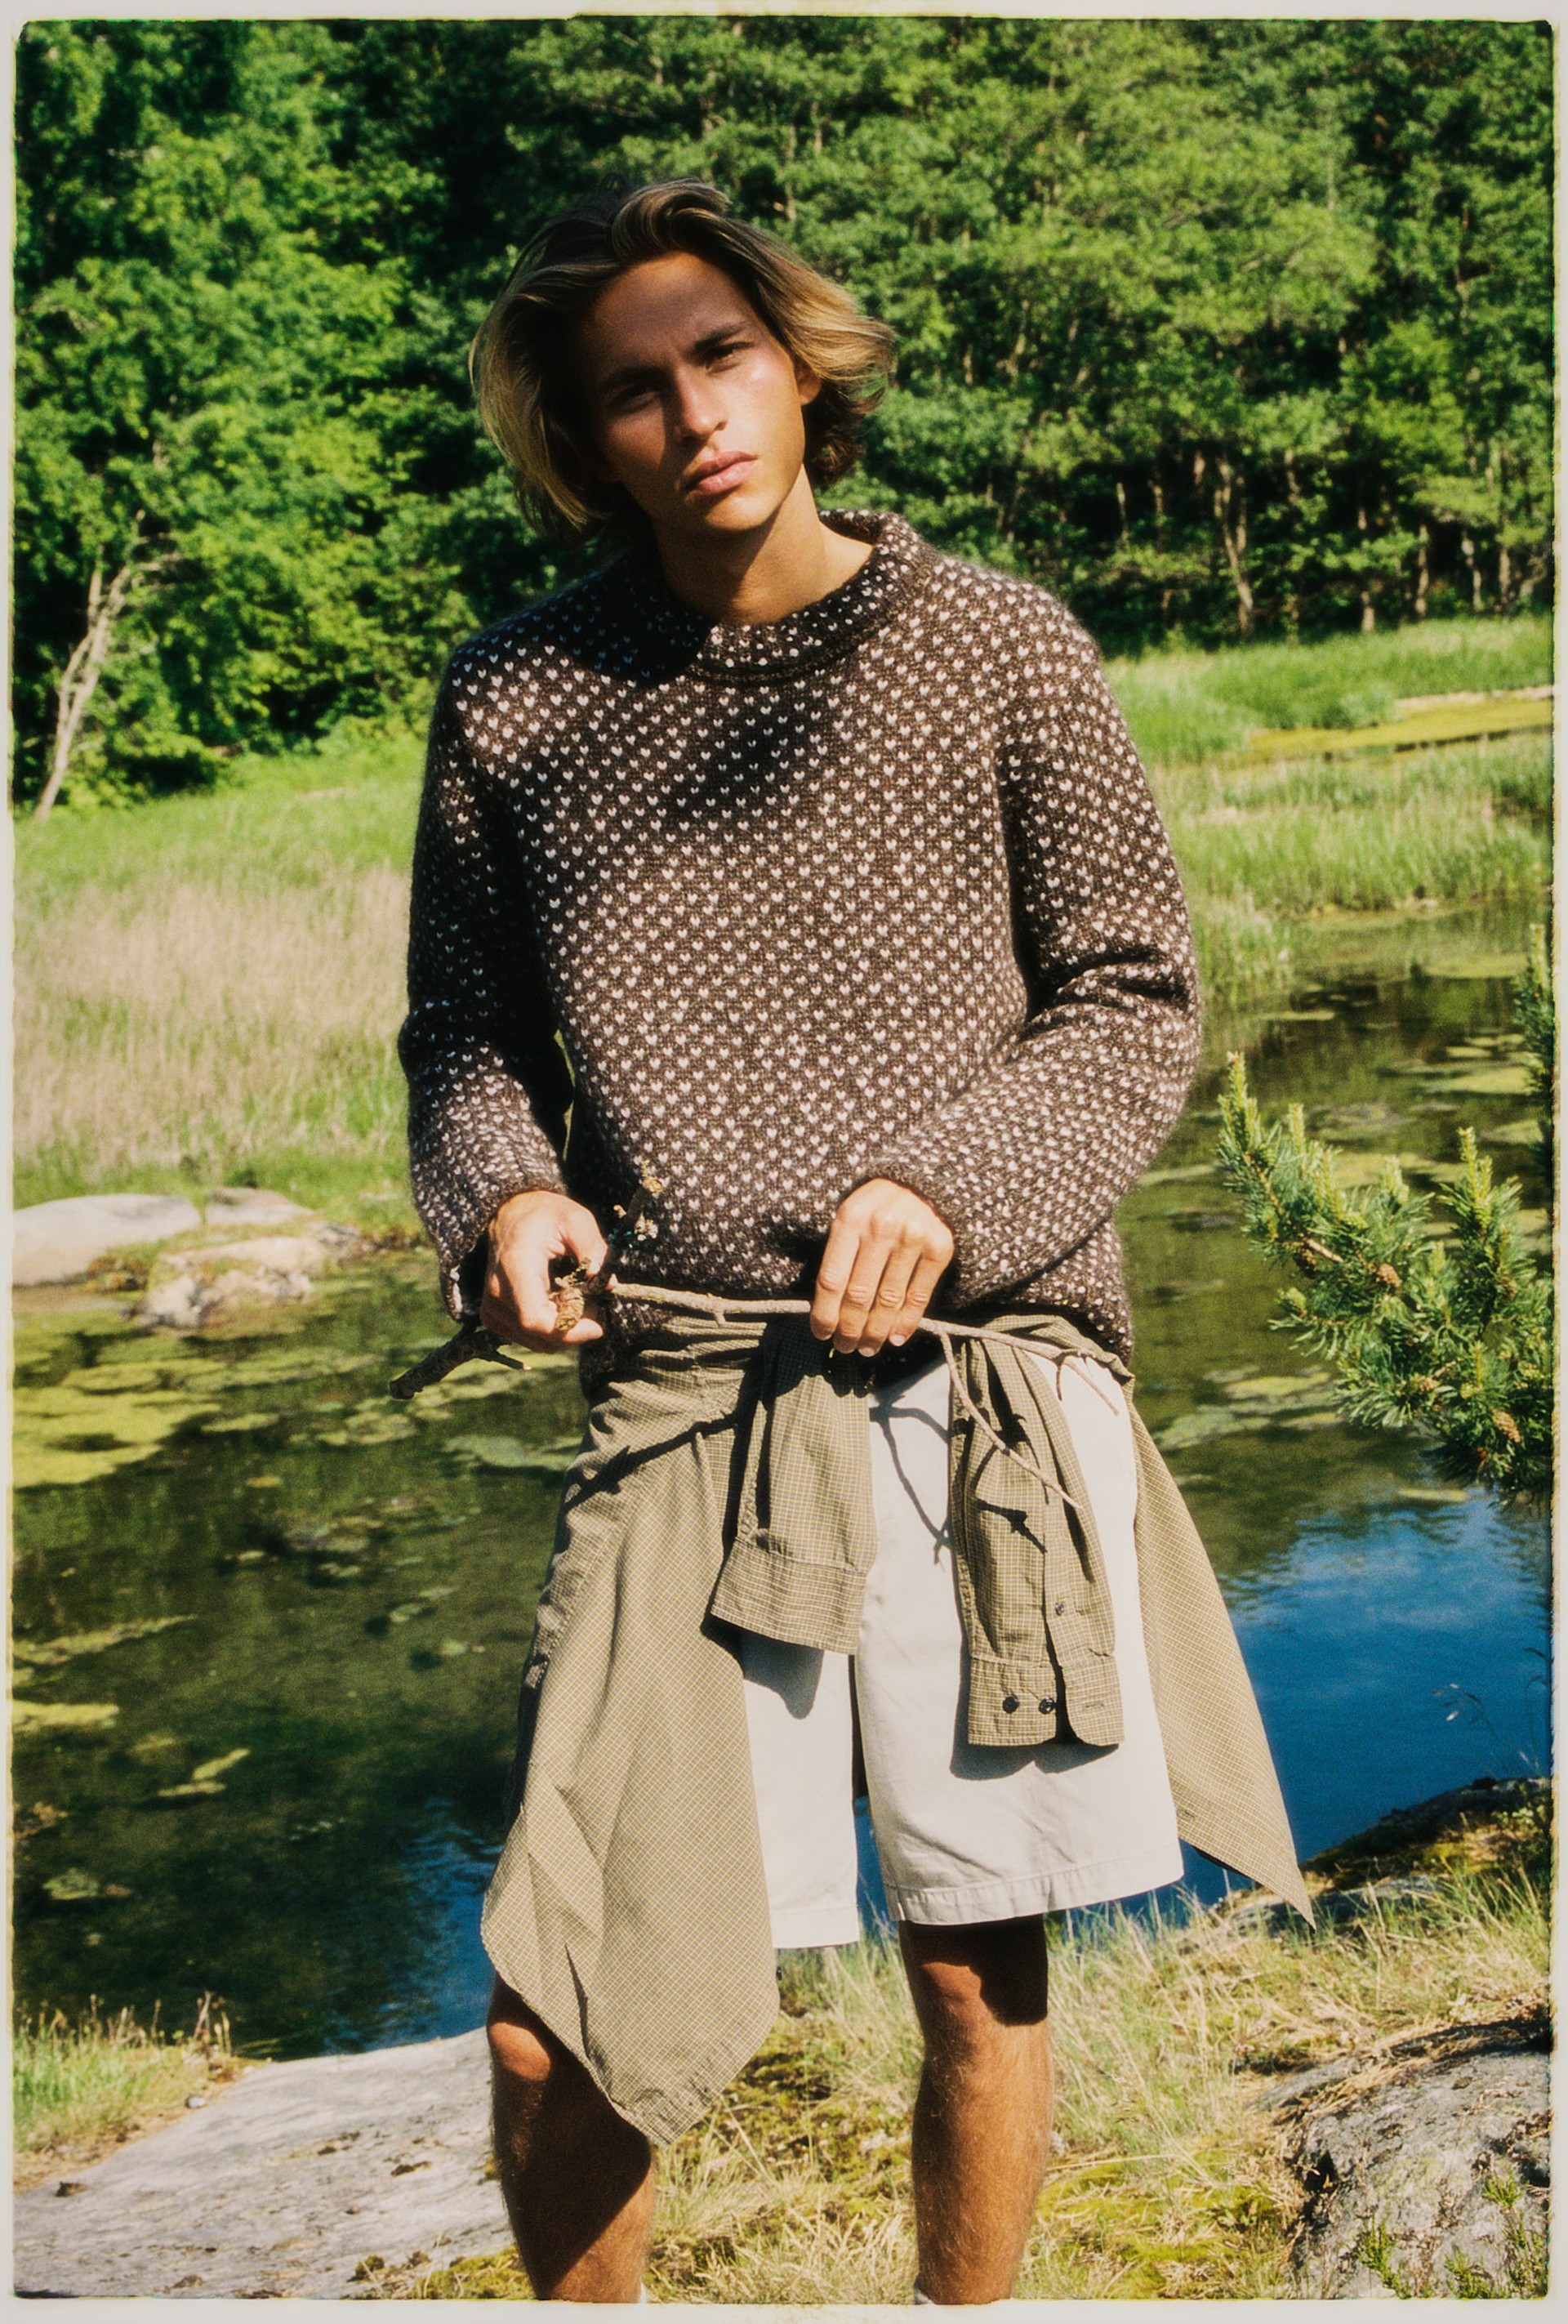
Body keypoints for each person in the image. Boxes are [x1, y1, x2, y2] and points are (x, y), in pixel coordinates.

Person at [397, 177, 1309, 2306]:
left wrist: (951, 1192)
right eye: (632, 391)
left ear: (800, 359)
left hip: (975, 1389)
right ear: (579, 438)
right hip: (690, 1394)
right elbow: (465, 1032)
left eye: (720, 354)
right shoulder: (518, 704)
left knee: (979, 1971)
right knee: (562, 2009)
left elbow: (1129, 996)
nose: (695, 413)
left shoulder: (1000, 646)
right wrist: (507, 1189)